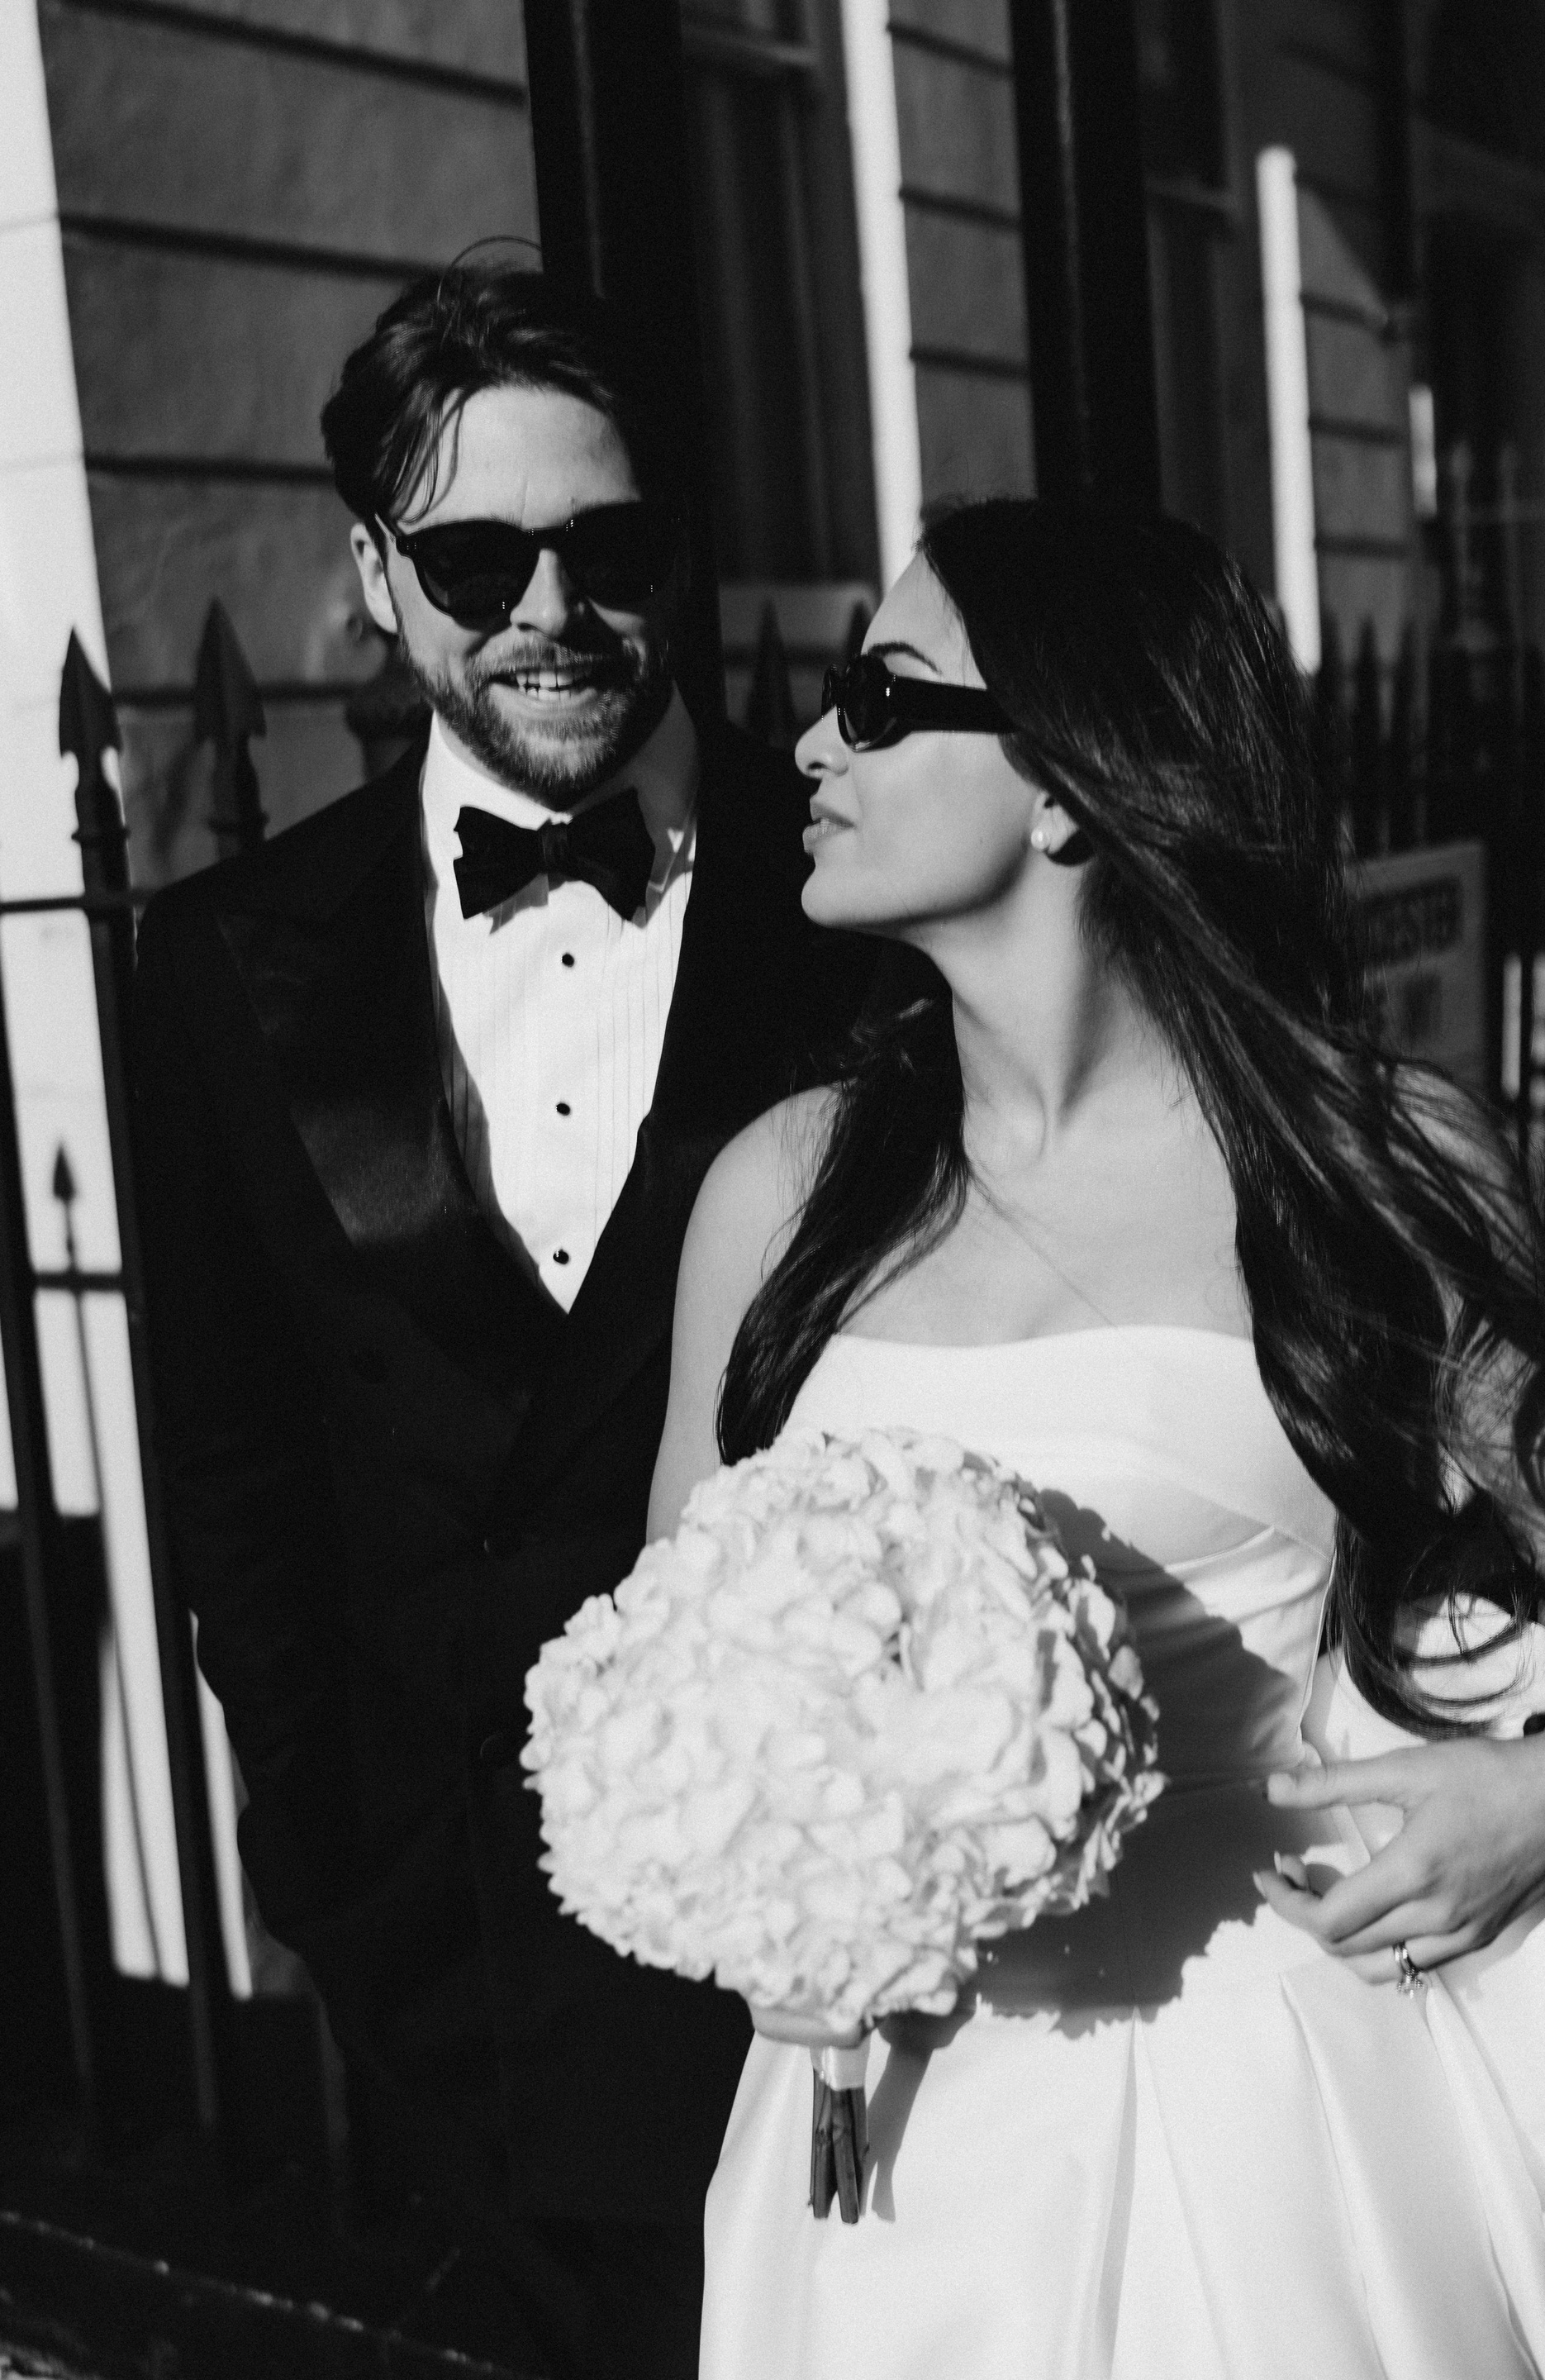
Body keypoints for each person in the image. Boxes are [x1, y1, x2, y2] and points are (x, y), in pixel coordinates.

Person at [649, 500, 1545, 2376]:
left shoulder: (1370, 1164)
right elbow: (673, 1667)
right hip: (900, 2145)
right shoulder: (780, 1191)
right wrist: (768, 1916)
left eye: (880, 700)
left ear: (1071, 782)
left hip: (1277, 2096)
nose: (813, 744)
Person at [132, 260, 864, 2380]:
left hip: (826, 1942)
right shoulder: (228, 959)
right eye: (475, 559)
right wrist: (331, 1871)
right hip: (449, 1945)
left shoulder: (860, 917)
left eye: (607, 545)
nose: (552, 608)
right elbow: (235, 1459)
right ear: (377, 576)